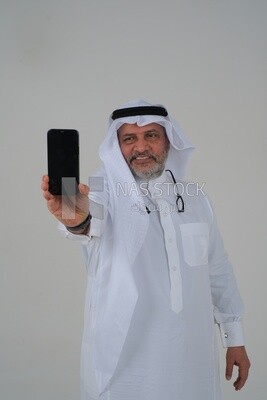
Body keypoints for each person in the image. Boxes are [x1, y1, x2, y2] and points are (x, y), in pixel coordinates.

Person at [42, 100, 250, 400]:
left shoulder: (195, 199)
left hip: (192, 360)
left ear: (168, 140)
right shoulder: (101, 190)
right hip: (124, 366)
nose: (141, 147)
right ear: (117, 146)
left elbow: (218, 269)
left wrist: (234, 338)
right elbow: (85, 223)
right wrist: (76, 220)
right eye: (129, 139)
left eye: (151, 135)